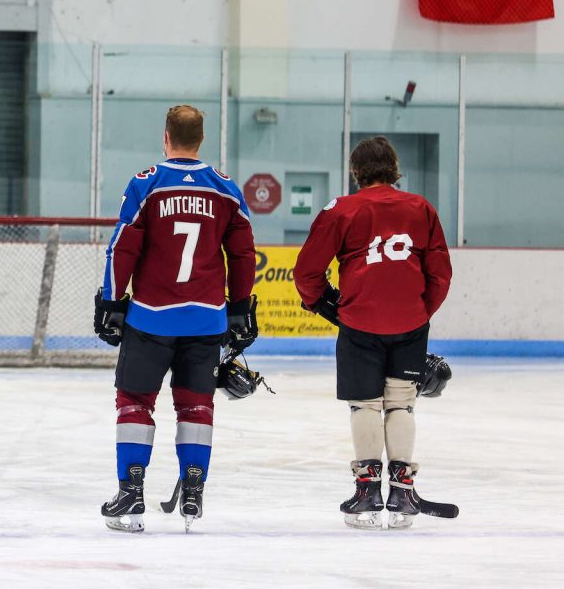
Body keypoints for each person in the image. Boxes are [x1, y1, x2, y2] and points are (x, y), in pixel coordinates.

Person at [94, 105, 256, 532]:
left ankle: (131, 495)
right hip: (206, 320)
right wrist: (240, 307)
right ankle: (193, 493)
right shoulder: (225, 188)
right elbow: (242, 253)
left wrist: (112, 300)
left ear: (165, 137)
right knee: (196, 405)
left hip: (150, 320)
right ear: (201, 139)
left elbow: (123, 246)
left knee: (134, 403)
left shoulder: (148, 183)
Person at [293, 135, 454, 530]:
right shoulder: (421, 208)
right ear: (394, 169)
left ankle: (367, 492)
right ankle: (401, 493)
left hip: (360, 322)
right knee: (401, 404)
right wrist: (419, 312)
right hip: (409, 324)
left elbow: (306, 273)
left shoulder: (341, 210)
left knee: (364, 405)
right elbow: (441, 275)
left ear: (355, 172)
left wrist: (324, 304)